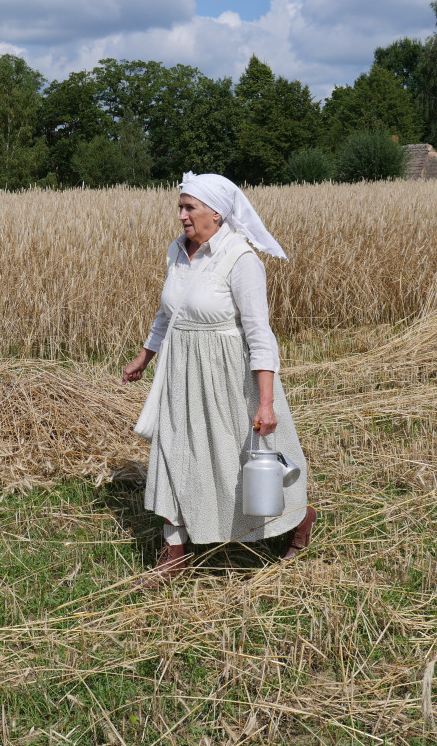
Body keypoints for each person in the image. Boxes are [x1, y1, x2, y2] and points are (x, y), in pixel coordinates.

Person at [122, 172, 315, 586]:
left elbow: (261, 335)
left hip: (228, 377)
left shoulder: (240, 259)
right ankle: (174, 550)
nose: (181, 216)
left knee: (238, 463)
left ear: (216, 212)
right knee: (173, 452)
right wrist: (144, 357)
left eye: (189, 208)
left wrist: (264, 402)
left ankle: (299, 520)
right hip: (180, 371)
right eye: (180, 207)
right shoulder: (178, 251)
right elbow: (167, 314)